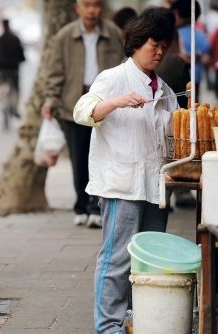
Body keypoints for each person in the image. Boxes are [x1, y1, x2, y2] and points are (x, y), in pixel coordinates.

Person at [73, 10, 177, 334]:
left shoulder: (167, 92)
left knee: (148, 260)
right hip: (121, 185)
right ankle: (108, 326)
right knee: (117, 259)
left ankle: (136, 319)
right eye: (153, 44)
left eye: (164, 46)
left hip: (155, 187)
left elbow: (173, 139)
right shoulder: (113, 78)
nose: (159, 52)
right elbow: (83, 111)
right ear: (135, 44)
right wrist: (115, 102)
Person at [41, 0, 124, 228]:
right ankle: (80, 204)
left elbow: (123, 66)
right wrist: (51, 99)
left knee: (102, 157)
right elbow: (55, 72)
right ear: (77, 7)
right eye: (86, 5)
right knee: (79, 159)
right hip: (73, 106)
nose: (91, 10)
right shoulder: (64, 36)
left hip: (105, 103)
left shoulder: (113, 33)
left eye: (96, 5)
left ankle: (96, 207)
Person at [170, 0, 210, 94]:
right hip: (196, 77)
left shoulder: (175, 33)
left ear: (177, 13)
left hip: (180, 77)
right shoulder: (200, 34)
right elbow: (207, 56)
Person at [0, 18, 25, 119]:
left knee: (1, 88)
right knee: (16, 90)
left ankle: (2, 102)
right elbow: (22, 55)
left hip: (1, 70)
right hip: (13, 70)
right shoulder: (15, 39)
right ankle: (15, 109)